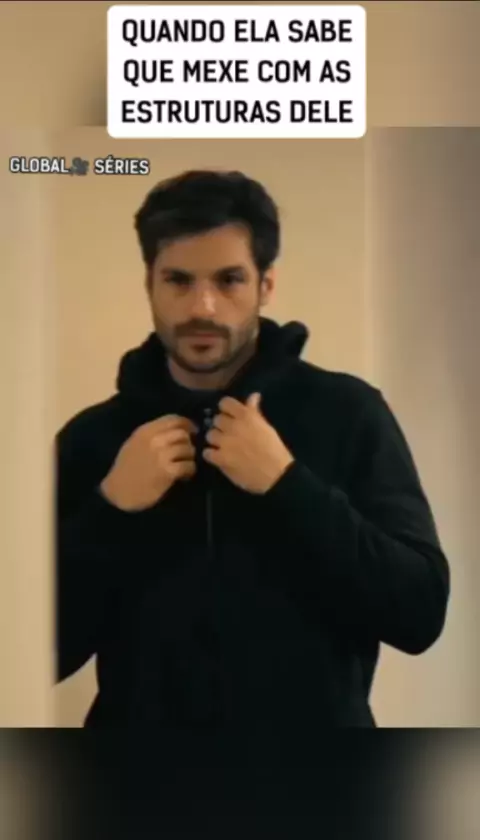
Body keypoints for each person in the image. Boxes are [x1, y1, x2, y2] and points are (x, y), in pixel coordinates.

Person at [56, 169, 450, 727]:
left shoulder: (349, 412)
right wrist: (111, 509)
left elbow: (419, 614)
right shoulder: (92, 439)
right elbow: (40, 654)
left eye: (229, 280)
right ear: (149, 283)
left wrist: (288, 486)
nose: (203, 307)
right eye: (178, 280)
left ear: (266, 286)